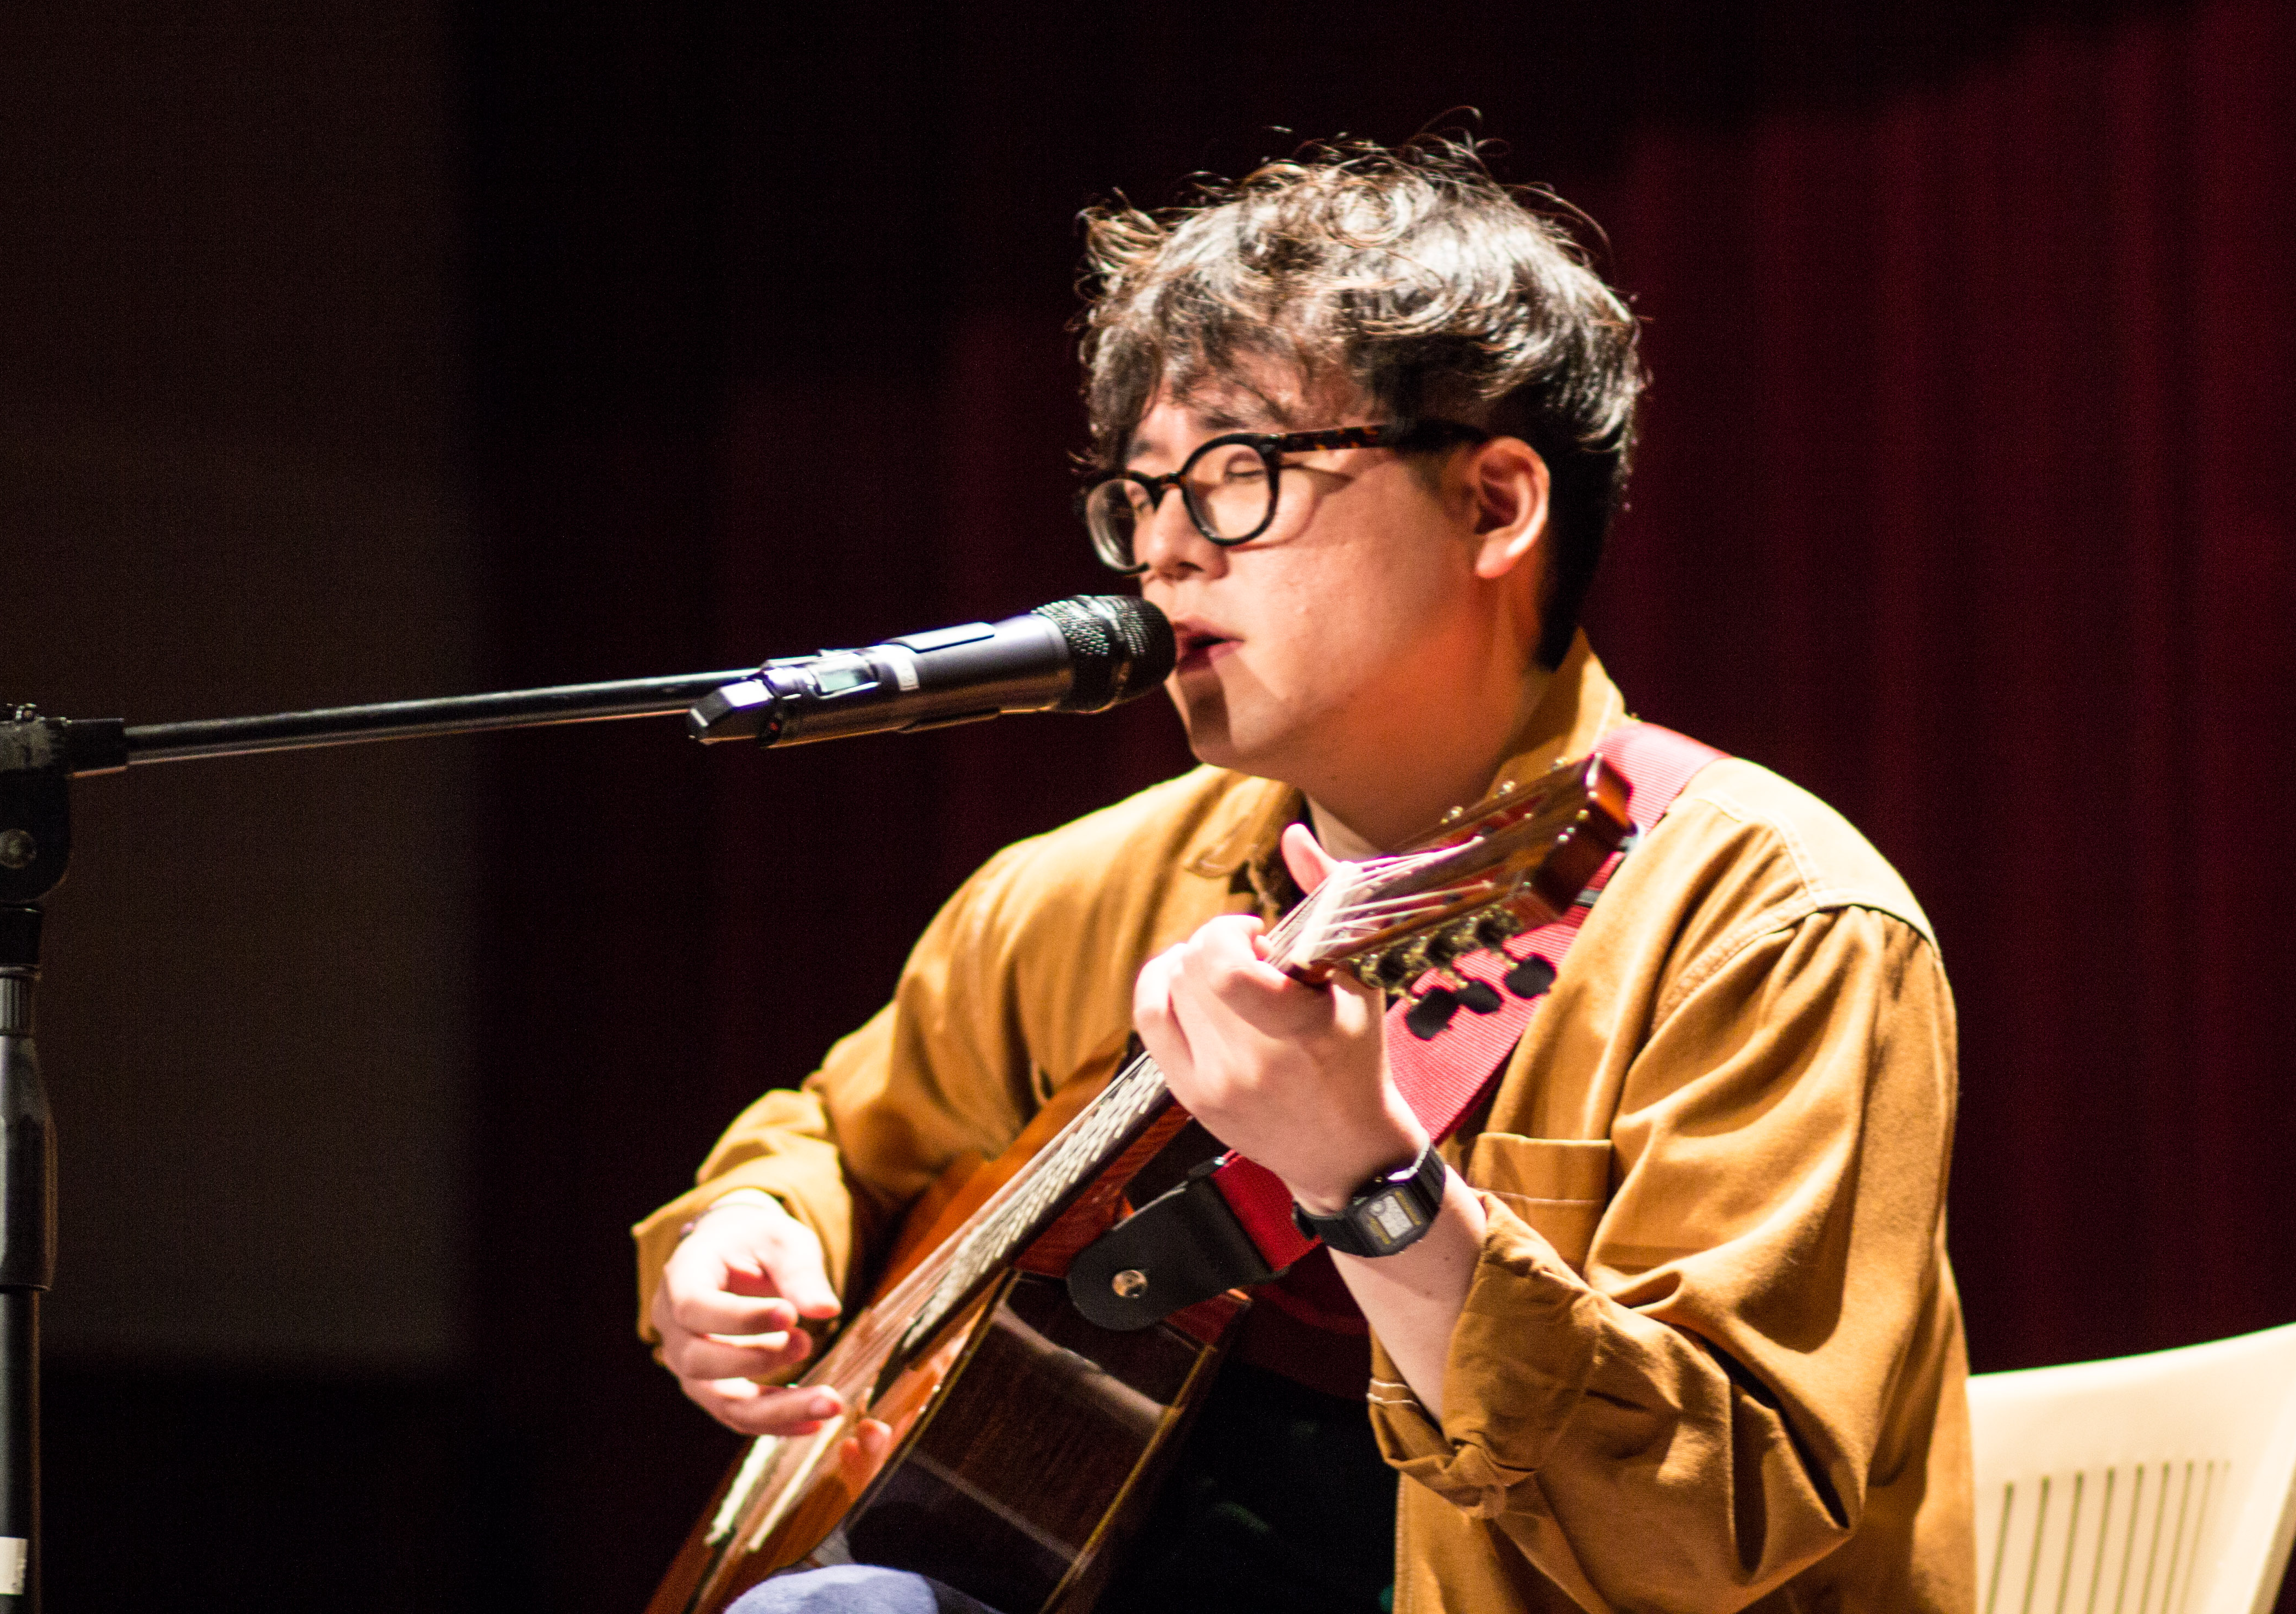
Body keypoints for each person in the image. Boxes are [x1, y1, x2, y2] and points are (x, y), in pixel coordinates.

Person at [633, 139, 1973, 1614]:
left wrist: (1371, 1183)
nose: (1160, 553)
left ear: (1494, 505)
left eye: (1235, 479)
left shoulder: (1771, 925)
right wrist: (751, 1232)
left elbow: (1707, 1535)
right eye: (1137, 497)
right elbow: (838, 1133)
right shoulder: (1079, 895)